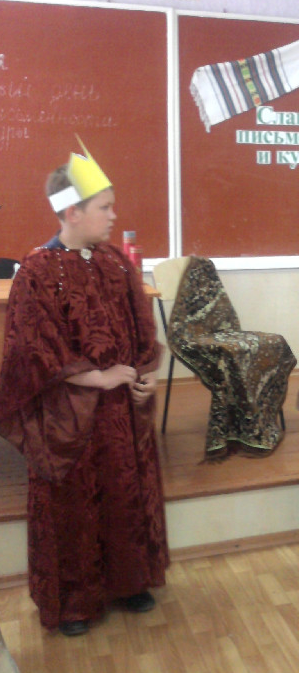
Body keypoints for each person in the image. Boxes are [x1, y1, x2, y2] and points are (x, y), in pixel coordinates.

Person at [0, 137, 169, 635]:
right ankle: (75, 599)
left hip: (120, 414)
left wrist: (146, 373)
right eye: (105, 207)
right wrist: (97, 377)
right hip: (70, 417)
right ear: (72, 212)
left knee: (124, 493)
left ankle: (128, 581)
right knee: (74, 504)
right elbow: (30, 349)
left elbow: (142, 331)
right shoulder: (36, 271)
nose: (114, 216)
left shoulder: (116, 263)